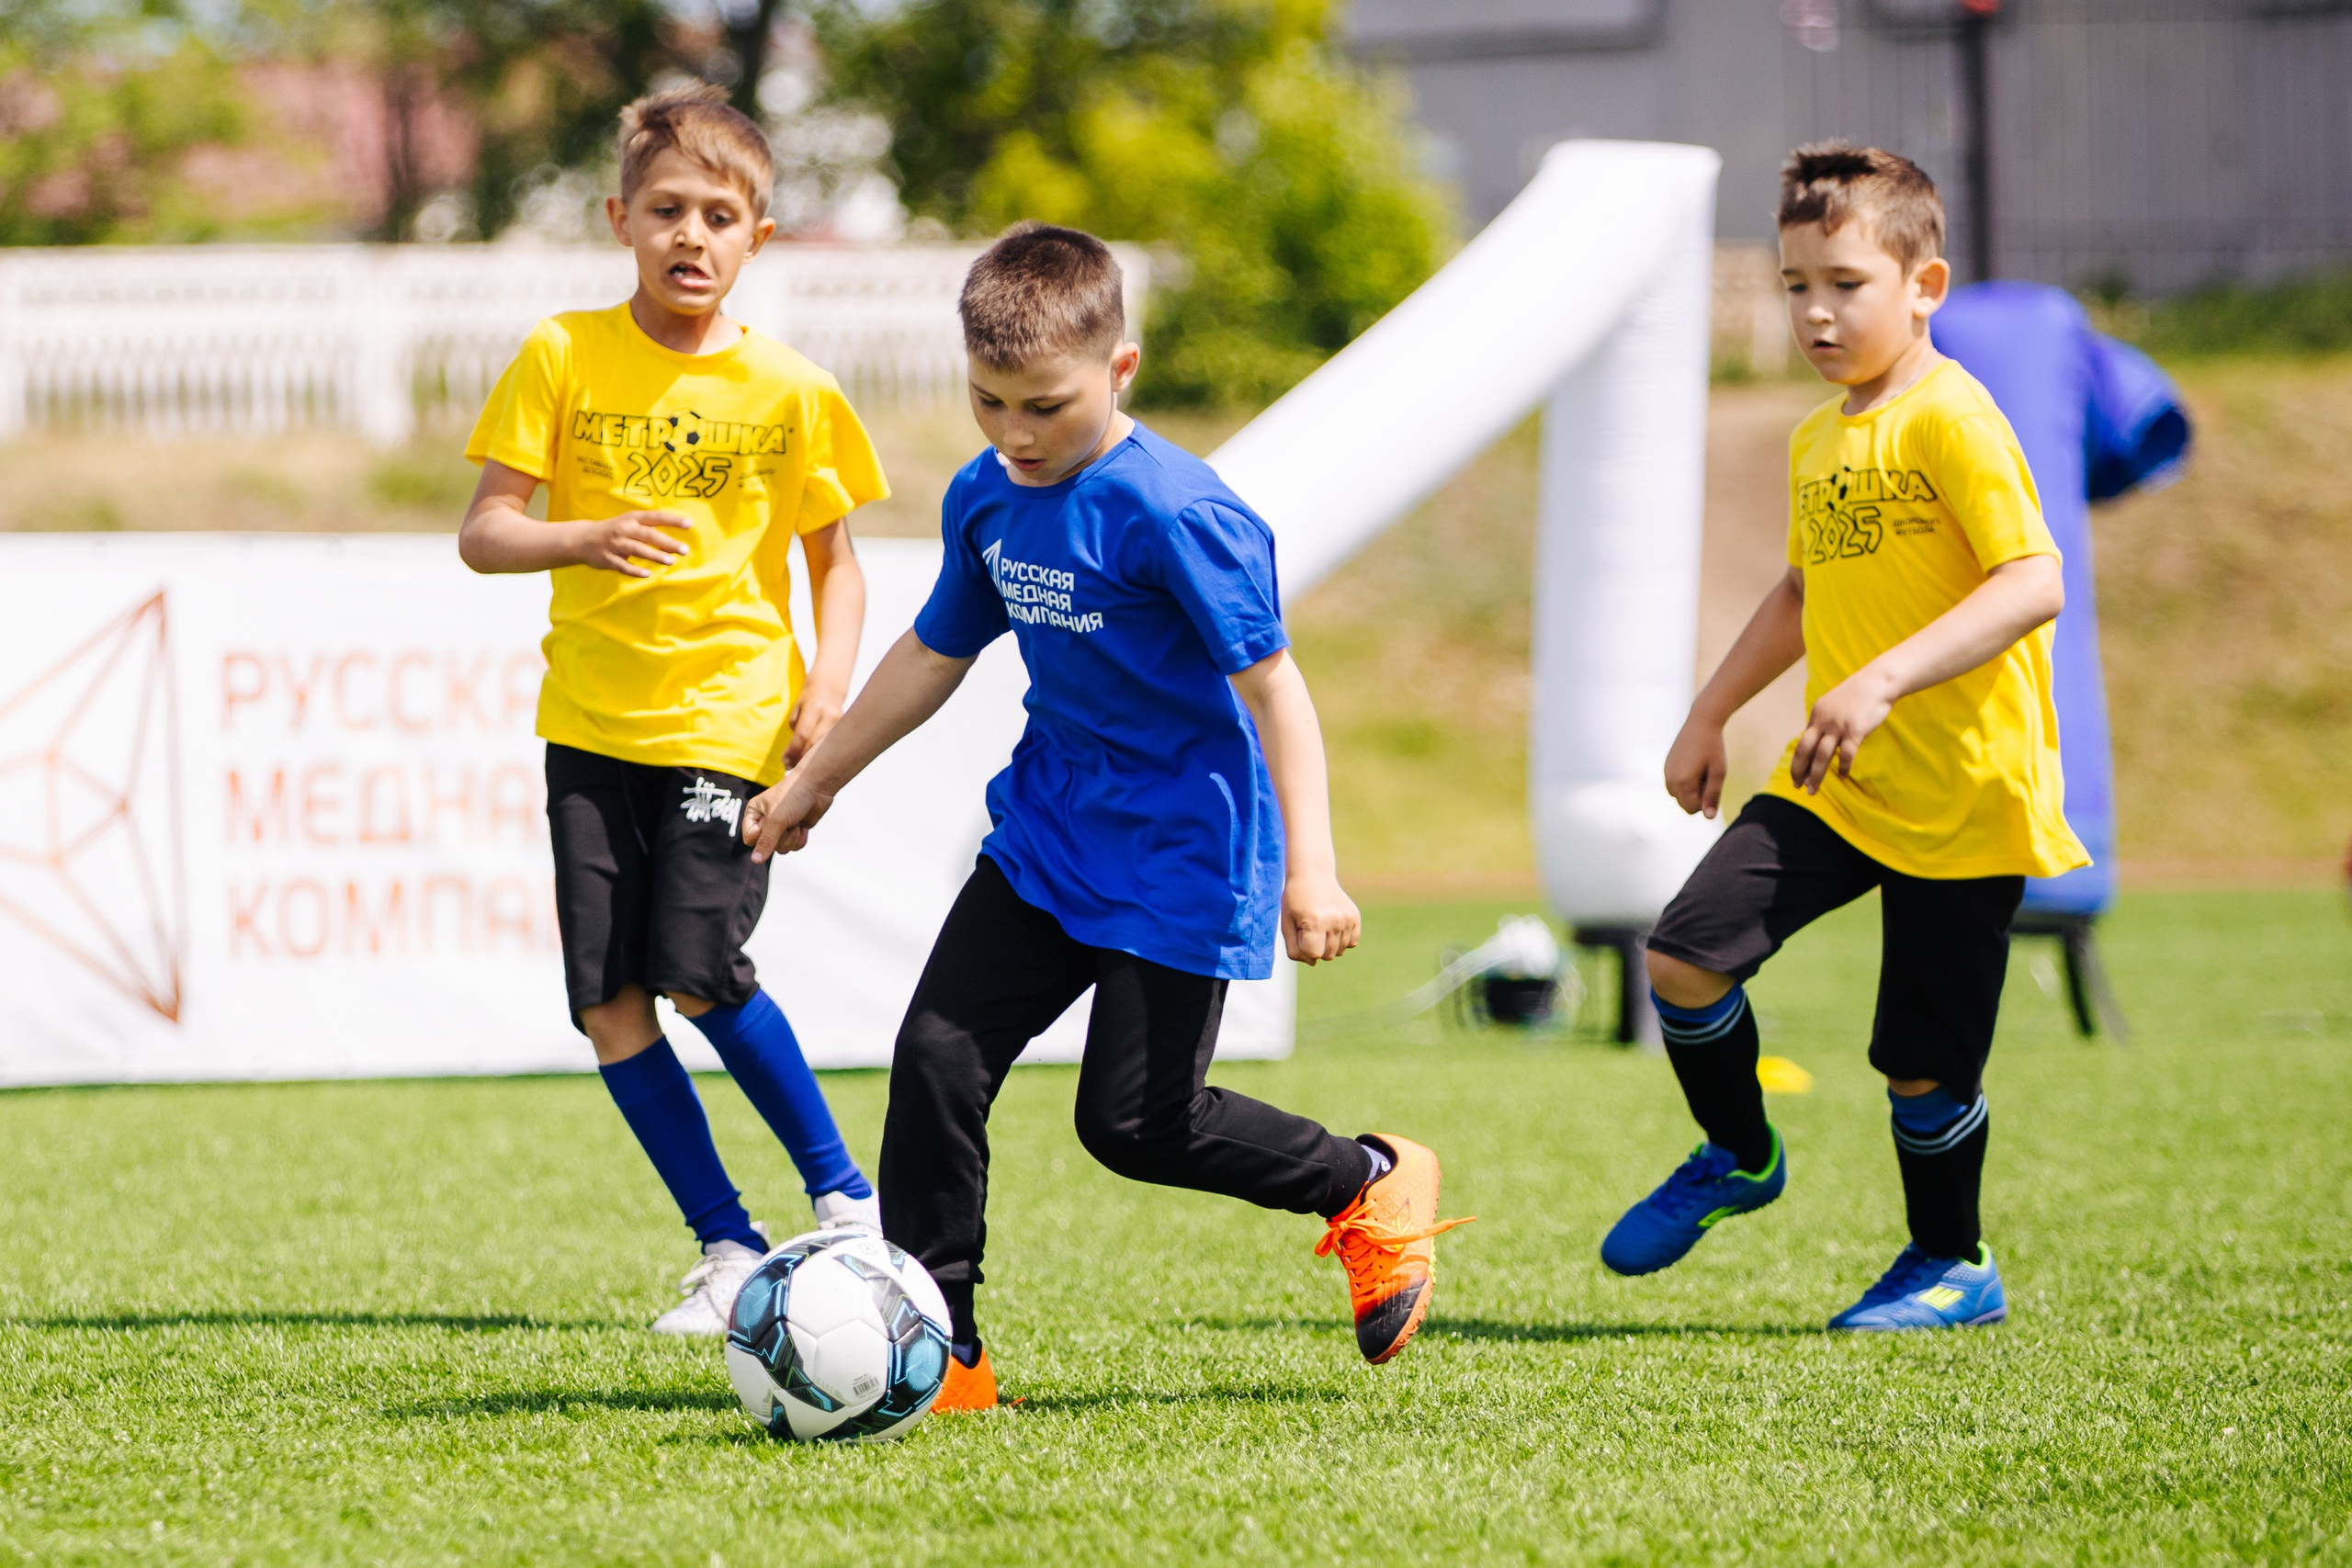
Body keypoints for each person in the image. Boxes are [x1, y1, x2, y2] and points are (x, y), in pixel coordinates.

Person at [741, 223, 1471, 1410]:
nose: (1017, 437)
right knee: (935, 1058)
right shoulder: (985, 497)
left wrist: (1314, 869)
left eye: (1046, 407)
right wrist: (816, 781)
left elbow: (1276, 689)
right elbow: (935, 651)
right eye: (990, 404)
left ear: (1119, 369)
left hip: (1185, 853)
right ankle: (945, 1358)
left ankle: (1368, 1177)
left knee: (1136, 1124)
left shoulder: (1177, 512)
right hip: (1049, 835)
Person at [1601, 144, 2085, 1329]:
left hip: (1965, 793)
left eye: (1846, 284)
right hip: (1837, 783)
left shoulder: (1954, 417)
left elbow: (2033, 579)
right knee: (1682, 956)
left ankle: (1952, 1264)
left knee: (1922, 1068)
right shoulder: (1821, 436)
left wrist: (1879, 683)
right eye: (1795, 285)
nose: (1816, 312)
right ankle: (1740, 1155)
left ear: (1924, 287)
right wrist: (1710, 712)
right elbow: (1804, 593)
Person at [456, 84, 888, 1335]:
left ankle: (847, 1206)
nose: (691, 235)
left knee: (697, 971)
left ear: (759, 236)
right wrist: (581, 535)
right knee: (607, 1002)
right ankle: (727, 1248)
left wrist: (827, 690)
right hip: (589, 727)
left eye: (719, 214)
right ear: (620, 218)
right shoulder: (561, 353)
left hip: (727, 720)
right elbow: (484, 532)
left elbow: (837, 563)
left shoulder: (795, 391)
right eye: (666, 211)